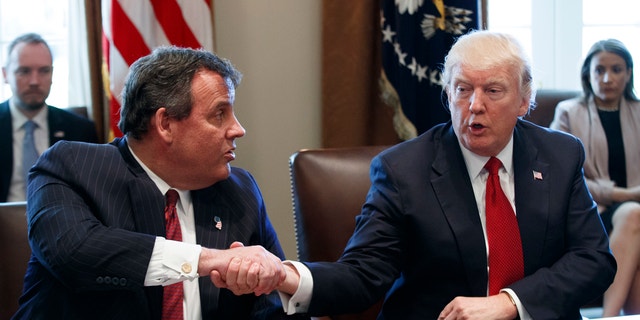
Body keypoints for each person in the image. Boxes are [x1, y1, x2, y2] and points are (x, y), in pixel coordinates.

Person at [222, 30, 617, 319]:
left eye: (493, 91)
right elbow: (363, 276)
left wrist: (511, 301)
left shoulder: (560, 155)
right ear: (447, 94)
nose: (474, 106)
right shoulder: (403, 170)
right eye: (462, 89)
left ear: (525, 98)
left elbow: (594, 261)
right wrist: (285, 276)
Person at [12, 46, 304, 320]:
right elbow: (74, 252)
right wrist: (209, 260)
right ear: (165, 124)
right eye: (219, 114)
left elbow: (272, 307)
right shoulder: (72, 167)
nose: (238, 129)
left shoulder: (239, 191)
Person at [549, 39, 640, 317]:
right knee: (633, 214)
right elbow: (556, 174)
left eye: (616, 69)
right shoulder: (568, 111)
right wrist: (623, 195)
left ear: (628, 73)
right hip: (591, 213)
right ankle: (609, 317)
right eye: (599, 70)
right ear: (587, 73)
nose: (607, 78)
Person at [0, 32, 99, 202]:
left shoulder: (80, 130)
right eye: (24, 71)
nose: (35, 81)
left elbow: (94, 195)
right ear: (5, 74)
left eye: (44, 71)